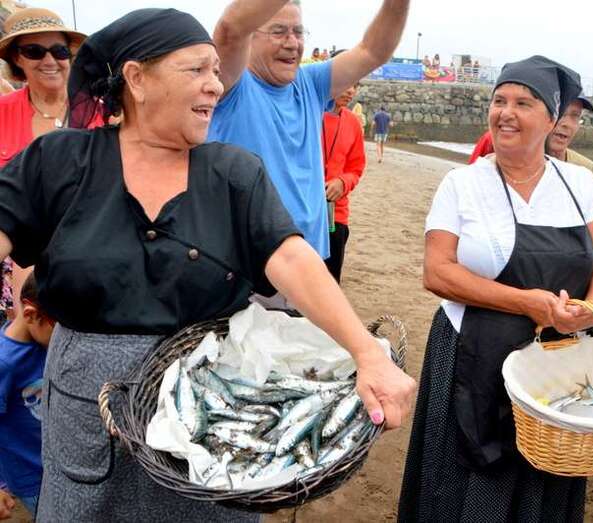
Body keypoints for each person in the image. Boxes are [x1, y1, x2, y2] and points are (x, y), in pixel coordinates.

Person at [0, 9, 415, 521]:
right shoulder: (59, 159)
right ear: (136, 79)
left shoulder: (232, 171)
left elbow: (288, 254)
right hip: (89, 406)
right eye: (196, 70)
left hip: (213, 406)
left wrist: (365, 353)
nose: (215, 86)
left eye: (216, 72)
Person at [398, 55, 593, 522]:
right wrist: (526, 302)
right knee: (472, 471)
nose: (506, 112)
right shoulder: (463, 183)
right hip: (471, 352)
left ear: (551, 119)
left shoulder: (581, 183)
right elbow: (437, 273)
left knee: (543, 473)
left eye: (523, 102)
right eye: (499, 100)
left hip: (556, 357)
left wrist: (592, 310)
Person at [209, 0, 410, 262]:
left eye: (298, 32)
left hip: (309, 259)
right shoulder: (230, 84)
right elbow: (229, 29)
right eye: (279, 31)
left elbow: (373, 51)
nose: (292, 43)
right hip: (247, 264)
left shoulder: (311, 83)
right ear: (250, 37)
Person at [0, 8, 101, 327]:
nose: (49, 60)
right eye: (34, 51)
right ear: (17, 59)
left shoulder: (102, 114)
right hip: (16, 260)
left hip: (90, 253)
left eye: (59, 50)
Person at [468, 92, 593, 195]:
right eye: (560, 113)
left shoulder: (589, 174)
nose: (566, 124)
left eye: (575, 116)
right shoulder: (497, 148)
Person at [0, 273, 55, 517]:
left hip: (53, 466)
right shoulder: (4, 362)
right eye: (60, 330)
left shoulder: (42, 340)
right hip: (30, 477)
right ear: (32, 315)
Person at [322, 50, 366, 283]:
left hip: (335, 216)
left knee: (329, 284)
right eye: (346, 82)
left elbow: (356, 167)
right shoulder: (306, 114)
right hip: (300, 213)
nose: (350, 90)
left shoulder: (353, 123)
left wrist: (342, 182)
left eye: (356, 84)